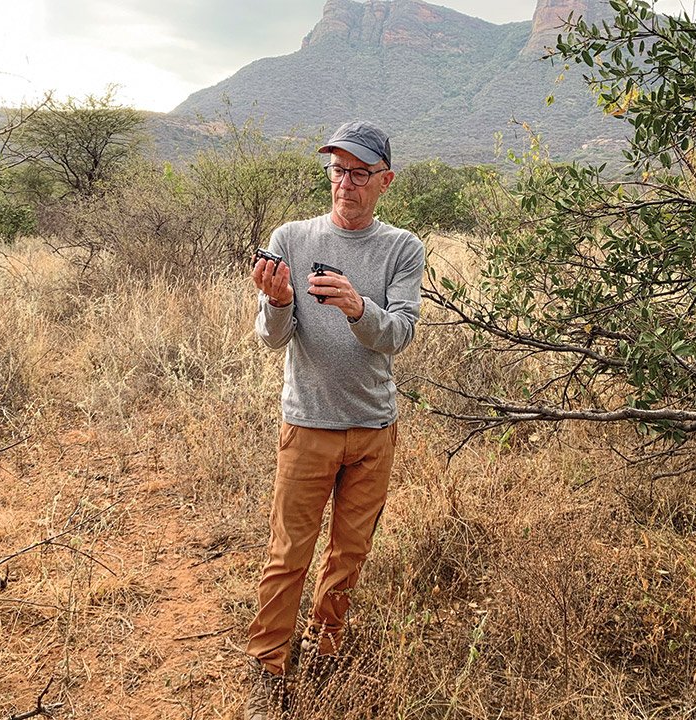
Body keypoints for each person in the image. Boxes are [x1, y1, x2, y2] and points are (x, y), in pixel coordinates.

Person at [244, 120, 424, 719]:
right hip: (309, 423)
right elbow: (271, 339)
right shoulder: (290, 238)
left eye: (359, 172)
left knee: (349, 552)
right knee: (289, 549)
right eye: (337, 170)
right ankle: (270, 665)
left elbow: (398, 333)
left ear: (385, 181)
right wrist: (279, 302)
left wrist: (356, 306)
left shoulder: (402, 248)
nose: (345, 183)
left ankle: (326, 652)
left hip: (374, 429)